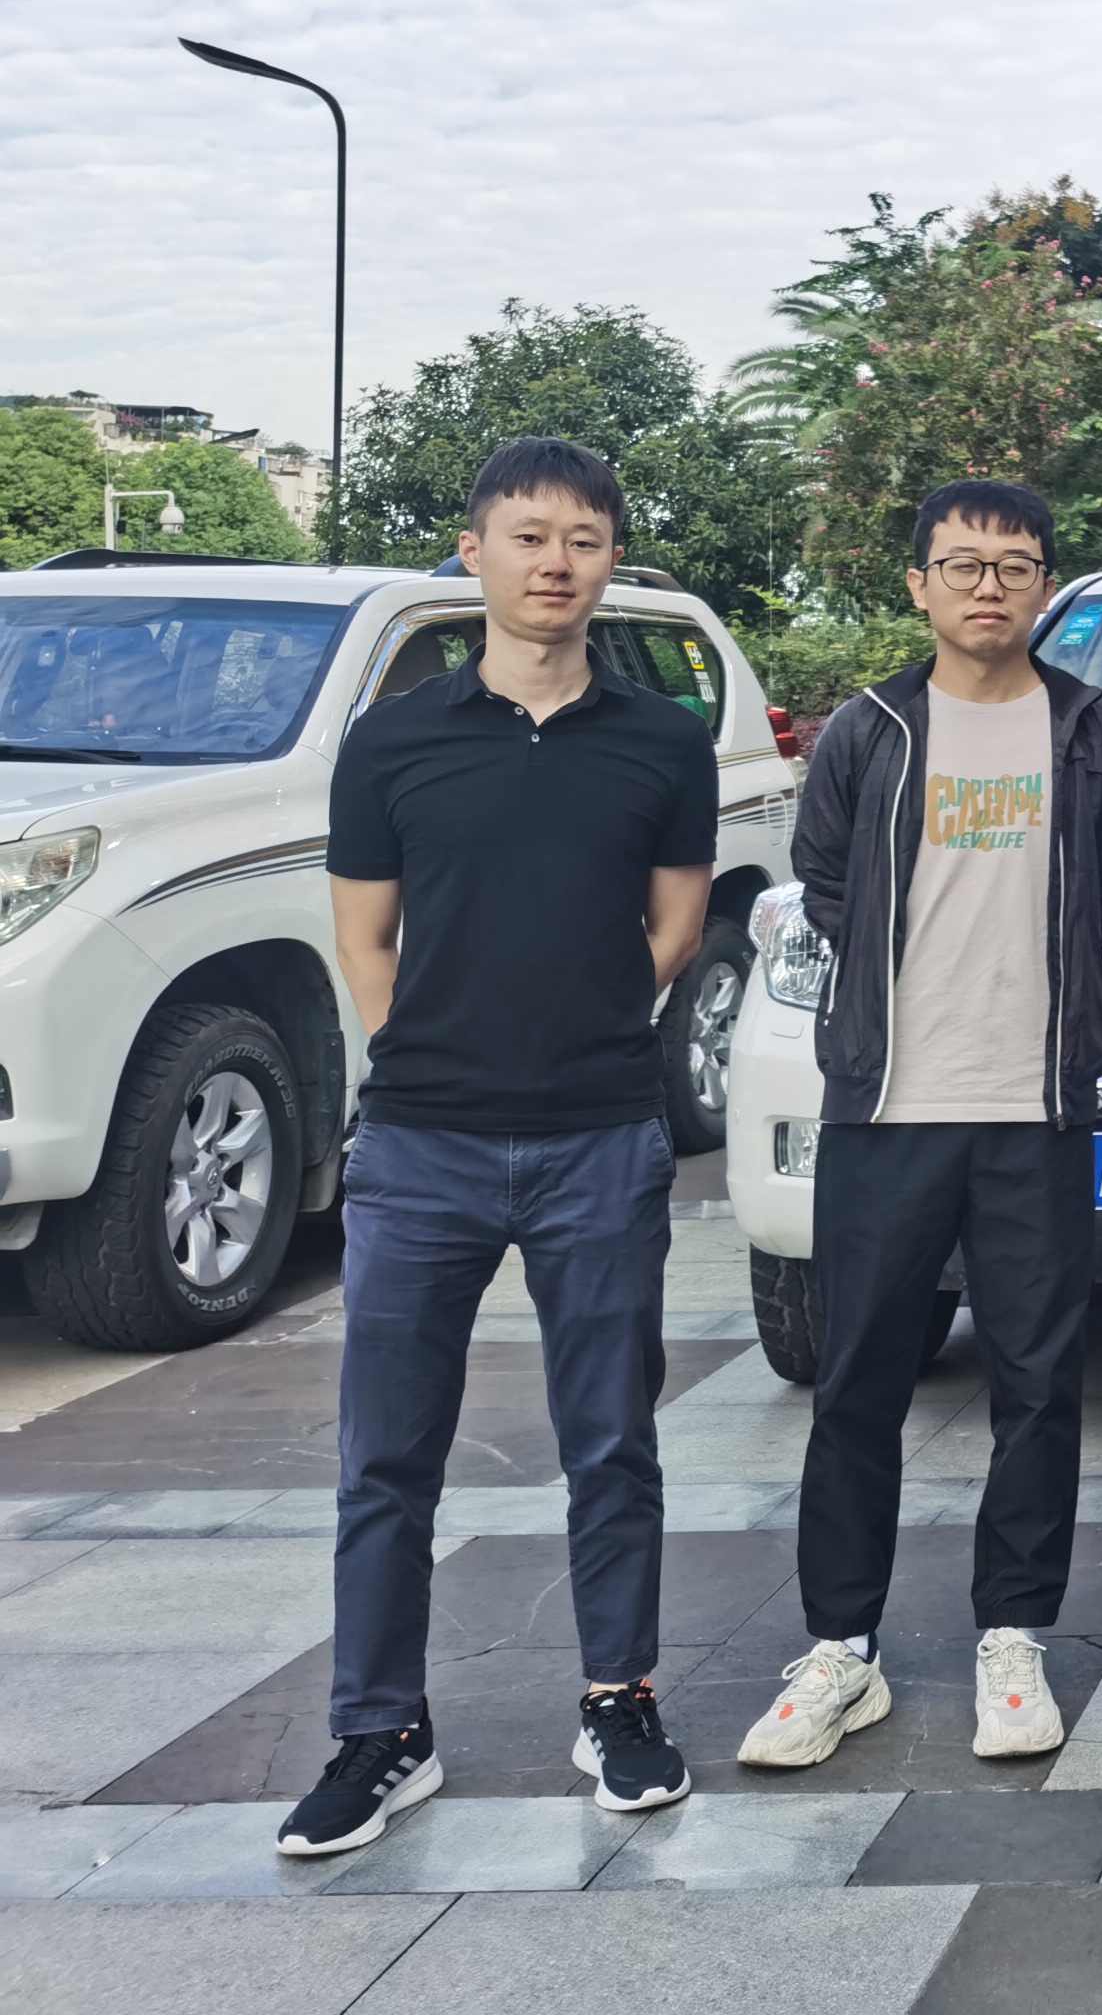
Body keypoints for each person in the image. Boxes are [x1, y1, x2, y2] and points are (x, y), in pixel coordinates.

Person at [281, 440, 718, 1856]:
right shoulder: (394, 741)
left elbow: (675, 927)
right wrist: (443, 1053)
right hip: (423, 1147)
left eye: (583, 539)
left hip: (602, 1138)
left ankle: (618, 1702)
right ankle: (380, 1732)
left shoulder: (662, 740)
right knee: (386, 1456)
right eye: (528, 536)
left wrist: (577, 1029)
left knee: (612, 1442)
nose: (555, 562)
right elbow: (366, 941)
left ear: (611, 561)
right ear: (472, 554)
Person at [741, 480, 1102, 1770]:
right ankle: (840, 1651)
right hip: (889, 1107)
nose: (989, 586)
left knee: (1038, 1384)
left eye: (1015, 566)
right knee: (859, 1380)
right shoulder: (867, 732)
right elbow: (826, 878)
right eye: (963, 565)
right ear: (919, 583)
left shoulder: (1091, 728)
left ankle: (1012, 1639)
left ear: (1044, 588)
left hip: (1035, 1108)